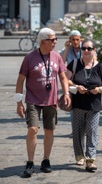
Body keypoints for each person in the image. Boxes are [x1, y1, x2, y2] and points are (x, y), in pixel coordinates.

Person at [14, 28, 71, 177]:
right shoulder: (29, 58)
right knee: (33, 129)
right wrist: (19, 102)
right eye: (52, 39)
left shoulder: (57, 56)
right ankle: (30, 162)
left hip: (51, 100)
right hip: (33, 99)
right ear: (43, 41)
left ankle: (46, 160)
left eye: (55, 39)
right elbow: (20, 80)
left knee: (49, 130)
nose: (55, 42)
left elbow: (63, 78)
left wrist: (66, 93)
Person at [65, 39, 102, 171]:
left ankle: (90, 160)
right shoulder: (74, 64)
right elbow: (65, 80)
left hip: (94, 105)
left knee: (92, 131)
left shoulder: (100, 67)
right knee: (78, 132)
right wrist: (76, 86)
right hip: (78, 104)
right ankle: (79, 156)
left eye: (89, 48)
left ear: (94, 50)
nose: (86, 51)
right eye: (84, 48)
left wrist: (98, 90)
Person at [60, 30, 82, 137]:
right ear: (69, 40)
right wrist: (67, 49)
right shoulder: (67, 50)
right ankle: (75, 130)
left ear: (80, 39)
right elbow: (61, 63)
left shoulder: (85, 48)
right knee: (72, 106)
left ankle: (83, 129)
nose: (75, 42)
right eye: (73, 40)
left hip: (83, 78)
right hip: (71, 79)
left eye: (77, 39)